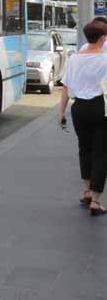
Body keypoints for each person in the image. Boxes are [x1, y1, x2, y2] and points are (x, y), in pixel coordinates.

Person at [59, 21, 107, 215]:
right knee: (101, 153)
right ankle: (95, 201)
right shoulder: (105, 59)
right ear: (102, 39)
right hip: (100, 107)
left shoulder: (74, 59)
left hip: (78, 108)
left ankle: (86, 191)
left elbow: (65, 87)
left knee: (84, 150)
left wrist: (61, 113)